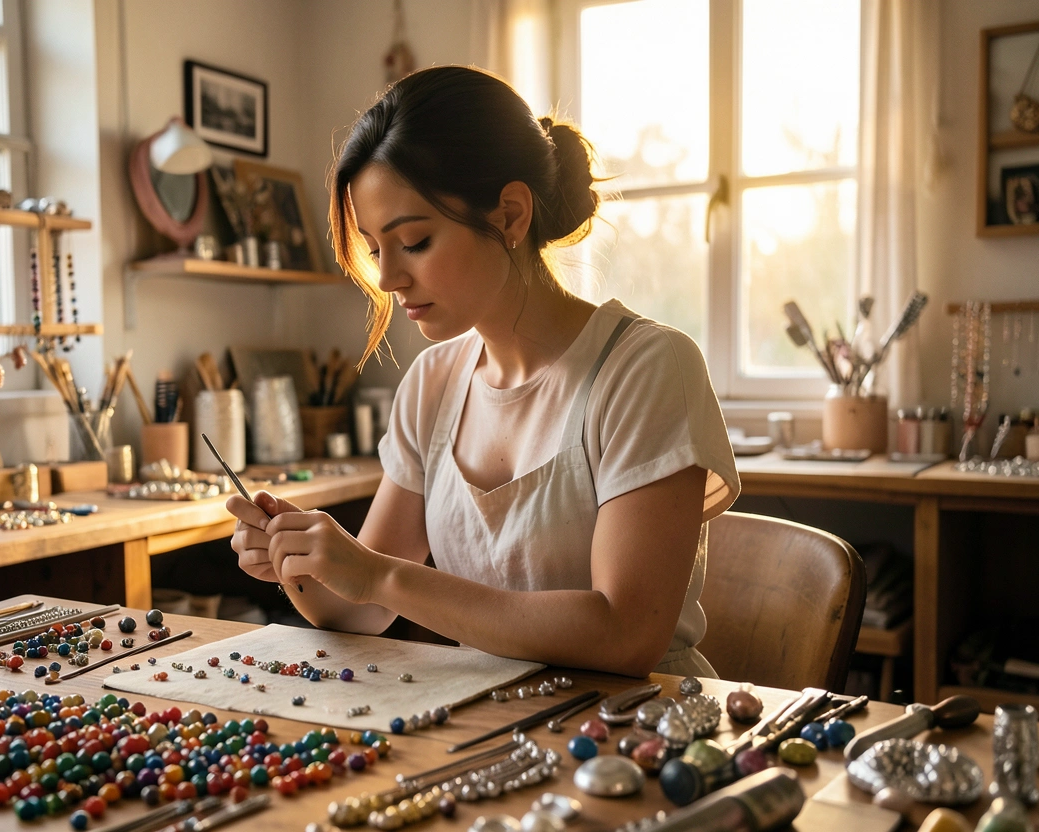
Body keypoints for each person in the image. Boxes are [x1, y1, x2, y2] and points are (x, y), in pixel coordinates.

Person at [227, 66, 739, 678]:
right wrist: (299, 556)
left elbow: (626, 635)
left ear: (511, 215)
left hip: (638, 737)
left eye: (413, 241)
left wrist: (379, 575)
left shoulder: (644, 369)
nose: (388, 278)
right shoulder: (433, 383)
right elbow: (360, 610)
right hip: (487, 727)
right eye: (374, 249)